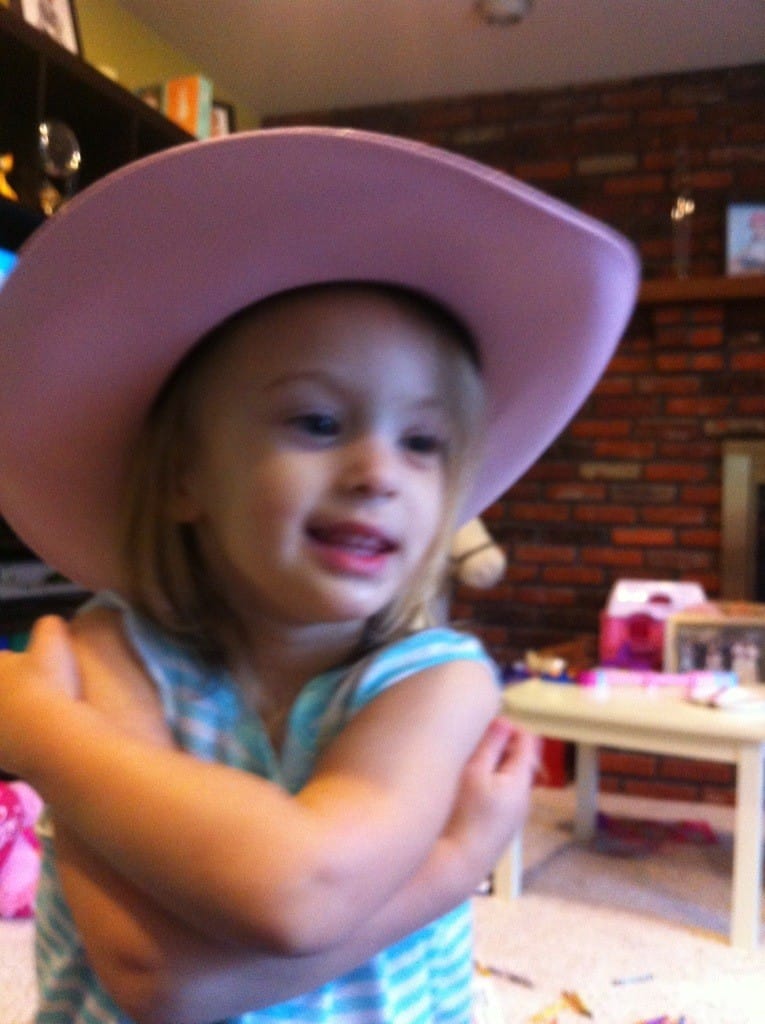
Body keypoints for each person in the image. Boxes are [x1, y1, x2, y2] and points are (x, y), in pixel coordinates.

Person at [0, 127, 639, 1024]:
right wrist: (449, 859)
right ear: (185, 477)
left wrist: (39, 735)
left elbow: (297, 892)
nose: (378, 472)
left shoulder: (438, 684)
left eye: (422, 442)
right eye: (316, 422)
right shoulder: (114, 647)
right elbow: (147, 972)